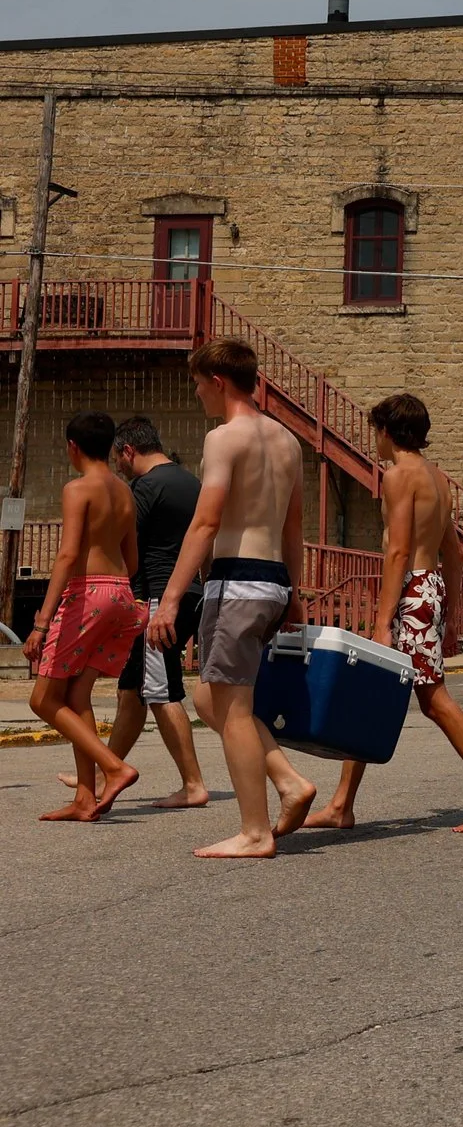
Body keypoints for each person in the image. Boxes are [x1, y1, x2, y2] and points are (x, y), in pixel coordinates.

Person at [303, 395, 463, 835]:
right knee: (371, 690)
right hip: (431, 588)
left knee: (434, 700)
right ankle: (342, 804)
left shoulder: (399, 475)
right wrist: (453, 616)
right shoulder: (437, 478)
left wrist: (382, 623)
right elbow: (454, 556)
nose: (374, 442)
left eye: (375, 431)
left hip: (411, 591)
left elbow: (398, 549)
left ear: (387, 430)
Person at [150, 337, 321, 860]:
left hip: (237, 582)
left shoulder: (224, 438)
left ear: (218, 382)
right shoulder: (288, 441)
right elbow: (294, 525)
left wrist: (171, 599)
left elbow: (205, 522)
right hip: (271, 580)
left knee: (234, 706)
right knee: (211, 698)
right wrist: (294, 591)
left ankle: (254, 830)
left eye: (199, 385)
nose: (199, 394)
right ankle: (288, 781)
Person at [52, 419, 211, 811]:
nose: (118, 467)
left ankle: (193, 784)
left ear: (127, 451)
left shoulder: (143, 488)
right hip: (190, 592)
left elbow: (125, 546)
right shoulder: (190, 483)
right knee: (132, 692)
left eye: (119, 460)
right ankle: (107, 766)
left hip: (158, 600)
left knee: (160, 688)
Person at [28, 412, 150, 821]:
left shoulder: (78, 489)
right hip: (122, 595)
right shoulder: (125, 493)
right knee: (77, 697)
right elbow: (132, 559)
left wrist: (42, 622)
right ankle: (85, 798)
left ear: (72, 447)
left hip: (88, 596)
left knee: (43, 699)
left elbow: (66, 555)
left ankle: (114, 768)